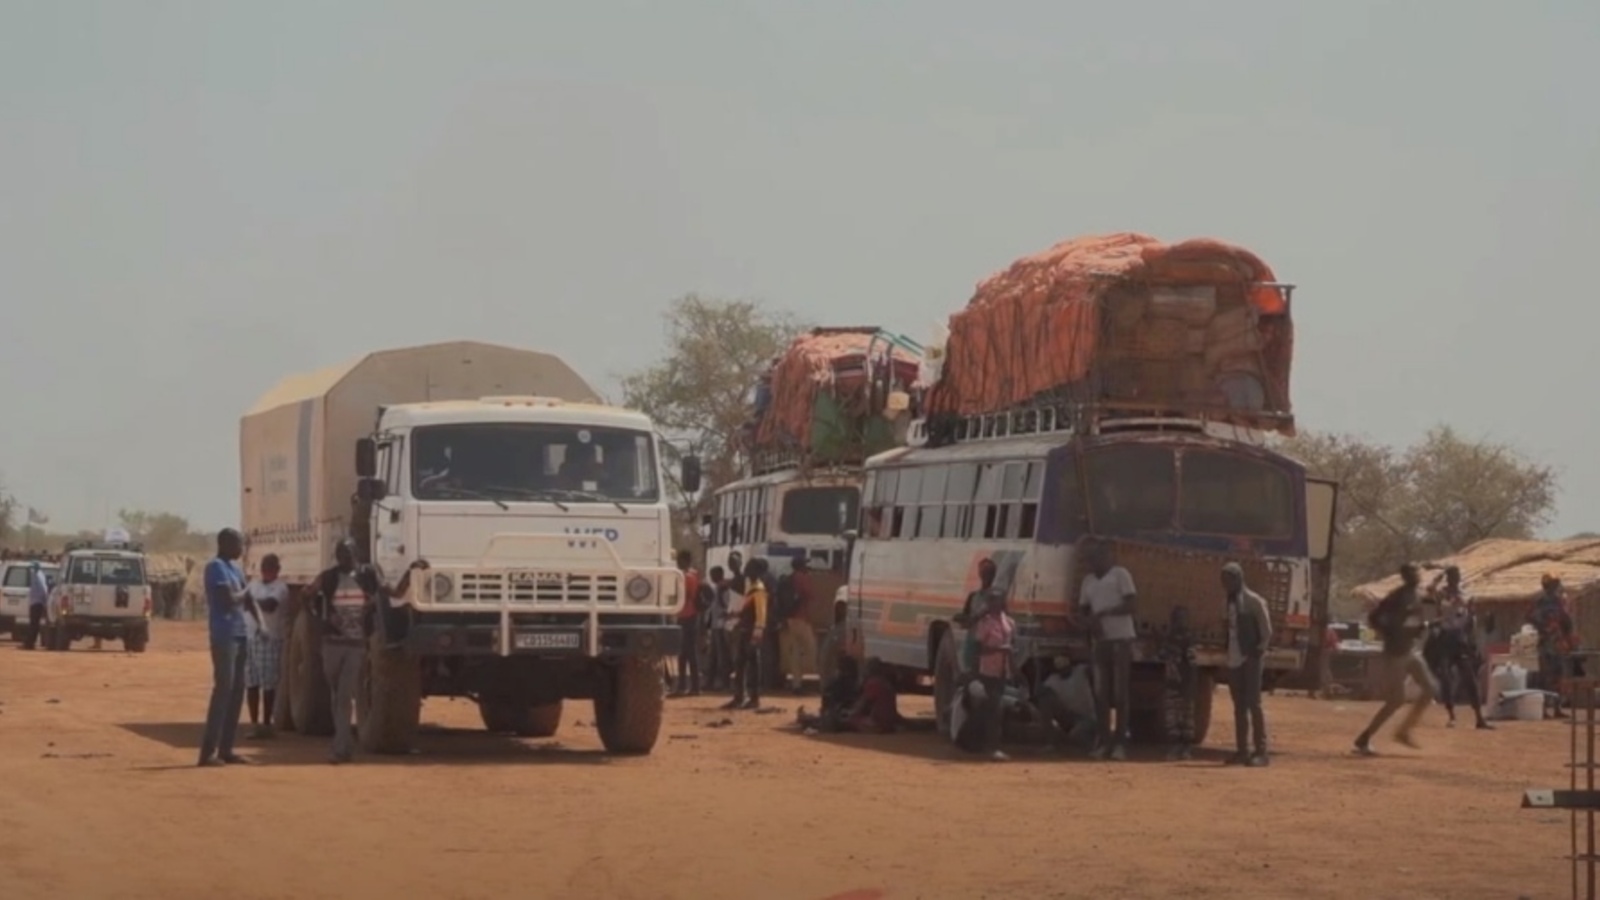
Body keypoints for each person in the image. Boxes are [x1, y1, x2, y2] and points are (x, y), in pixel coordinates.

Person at [305, 540, 427, 763]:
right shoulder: (328, 577)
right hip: (331, 644)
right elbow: (307, 595)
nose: (345, 557)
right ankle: (344, 743)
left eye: (349, 553)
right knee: (336, 695)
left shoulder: (368, 575)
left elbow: (396, 593)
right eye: (341, 553)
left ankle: (339, 748)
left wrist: (411, 571)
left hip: (355, 646)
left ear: (357, 554)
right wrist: (320, 616)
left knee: (343, 696)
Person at [1354, 563, 1437, 755]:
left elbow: (1412, 621)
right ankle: (1364, 738)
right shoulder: (1397, 596)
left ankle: (1404, 731)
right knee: (1396, 700)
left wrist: (1416, 629)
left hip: (1409, 650)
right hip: (1395, 653)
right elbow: (1375, 617)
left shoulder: (1415, 595)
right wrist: (1390, 633)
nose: (1417, 576)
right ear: (1407, 576)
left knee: (1431, 689)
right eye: (1413, 574)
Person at [198, 528, 257, 767]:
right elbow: (229, 599)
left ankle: (226, 749)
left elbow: (247, 599)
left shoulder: (236, 569)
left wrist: (261, 626)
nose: (241, 548)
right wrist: (247, 590)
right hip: (224, 636)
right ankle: (207, 753)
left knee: (236, 693)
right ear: (224, 544)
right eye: (238, 544)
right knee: (223, 690)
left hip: (241, 634)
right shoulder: (216, 568)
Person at [1078, 540, 1136, 761]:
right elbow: (1082, 609)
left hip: (1121, 640)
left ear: (1107, 557)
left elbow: (1132, 605)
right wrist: (1088, 623)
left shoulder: (1121, 575)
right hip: (1100, 642)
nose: (1094, 562)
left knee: (1121, 694)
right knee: (1101, 695)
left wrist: (1103, 613)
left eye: (1098, 557)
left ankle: (1120, 743)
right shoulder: (1088, 581)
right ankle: (1104, 741)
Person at [1424, 566, 1492, 730]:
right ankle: (1451, 715)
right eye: (1453, 576)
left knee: (1469, 676)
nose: (1456, 579)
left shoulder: (1465, 595)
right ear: (1448, 578)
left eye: (1457, 576)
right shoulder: (1441, 593)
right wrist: (1439, 575)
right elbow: (1429, 590)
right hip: (1444, 638)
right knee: (1446, 677)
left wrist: (1473, 642)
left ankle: (1479, 718)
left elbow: (1471, 621)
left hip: (1460, 640)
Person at [1222, 562, 1271, 767]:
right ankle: (1242, 751)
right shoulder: (1228, 601)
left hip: (1250, 658)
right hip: (1234, 657)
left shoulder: (1254, 601)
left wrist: (1257, 652)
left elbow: (1266, 631)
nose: (1225, 584)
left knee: (1253, 703)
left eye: (1229, 580)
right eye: (1223, 580)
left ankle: (1261, 751)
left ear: (1239, 579)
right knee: (1239, 706)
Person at [243, 554, 289, 739]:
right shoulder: (254, 585)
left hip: (269, 638)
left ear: (277, 570)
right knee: (251, 682)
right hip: (251, 637)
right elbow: (244, 602)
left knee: (268, 683)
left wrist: (251, 603)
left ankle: (267, 723)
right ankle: (255, 724)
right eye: (264, 567)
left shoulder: (280, 588)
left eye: (270, 567)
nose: (266, 571)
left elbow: (270, 605)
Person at [971, 587, 1016, 762]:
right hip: (988, 670)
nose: (994, 604)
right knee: (994, 709)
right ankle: (992, 747)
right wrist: (1000, 649)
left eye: (997, 600)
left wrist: (1014, 669)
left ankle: (985, 744)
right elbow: (979, 648)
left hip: (1003, 670)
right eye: (991, 601)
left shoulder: (1009, 622)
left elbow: (1012, 646)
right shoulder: (985, 623)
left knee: (995, 709)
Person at [1527, 574, 1575, 720]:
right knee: (1546, 677)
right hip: (1547, 643)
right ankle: (1545, 709)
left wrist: (1566, 634)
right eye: (1554, 584)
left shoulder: (1558, 601)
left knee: (1557, 675)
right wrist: (1544, 628)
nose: (1555, 587)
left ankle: (1556, 708)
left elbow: (1566, 621)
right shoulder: (1541, 601)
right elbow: (1530, 617)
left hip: (1556, 643)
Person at [725, 557, 769, 711]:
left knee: (752, 665)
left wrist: (756, 636)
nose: (746, 570)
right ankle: (739, 697)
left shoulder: (758, 589)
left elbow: (761, 615)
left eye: (750, 568)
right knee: (740, 664)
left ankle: (754, 698)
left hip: (752, 632)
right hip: (745, 630)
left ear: (757, 571)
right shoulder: (750, 587)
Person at [1159, 606, 1199, 761]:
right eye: (1176, 618)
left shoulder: (1189, 639)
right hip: (1172, 682)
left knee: (1186, 716)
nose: (1178, 622)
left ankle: (1186, 747)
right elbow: (1162, 655)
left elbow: (1192, 661)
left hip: (1185, 682)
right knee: (1172, 716)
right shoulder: (1170, 637)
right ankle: (1176, 746)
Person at [777, 556, 819, 694]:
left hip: (789, 618)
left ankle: (797, 684)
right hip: (801, 618)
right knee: (811, 649)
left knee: (794, 652)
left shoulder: (788, 579)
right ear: (801, 566)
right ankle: (819, 680)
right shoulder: (802, 577)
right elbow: (811, 595)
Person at [1036, 659, 1098, 752]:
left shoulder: (1081, 671)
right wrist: (1038, 670)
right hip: (1070, 718)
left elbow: (1093, 668)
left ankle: (1094, 746)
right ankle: (1051, 743)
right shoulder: (1053, 680)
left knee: (1077, 734)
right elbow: (1039, 692)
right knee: (1045, 700)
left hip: (1087, 718)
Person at [673, 549, 702, 697]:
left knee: (687, 652)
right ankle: (689, 685)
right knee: (687, 652)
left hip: (687, 616)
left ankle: (688, 686)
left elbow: (684, 595)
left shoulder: (687, 577)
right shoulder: (694, 575)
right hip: (688, 615)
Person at [705, 566, 732, 690]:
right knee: (713, 656)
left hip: (721, 625)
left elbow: (727, 605)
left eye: (713, 575)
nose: (711, 577)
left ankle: (724, 682)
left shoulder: (723, 589)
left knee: (722, 656)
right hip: (715, 625)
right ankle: (710, 682)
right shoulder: (717, 588)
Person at [21, 561, 50, 651]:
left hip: (37, 603)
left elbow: (43, 589)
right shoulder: (36, 575)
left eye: (32, 568)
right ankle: (29, 642)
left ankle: (29, 643)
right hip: (35, 602)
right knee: (34, 623)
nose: (31, 570)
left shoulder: (38, 576)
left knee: (34, 624)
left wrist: (45, 602)